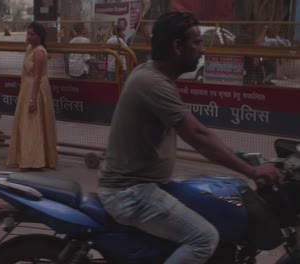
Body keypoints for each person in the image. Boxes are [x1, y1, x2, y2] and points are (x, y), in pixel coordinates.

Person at [97, 12, 283, 264]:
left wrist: (244, 158)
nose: (202, 50)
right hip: (130, 193)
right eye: (197, 43)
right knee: (204, 238)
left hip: (147, 185)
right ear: (177, 46)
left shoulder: (152, 75)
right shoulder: (152, 83)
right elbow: (197, 135)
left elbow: (201, 134)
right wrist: (252, 172)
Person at [7, 21, 57, 171]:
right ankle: (28, 157)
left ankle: (31, 161)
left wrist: (33, 99)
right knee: (25, 123)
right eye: (28, 33)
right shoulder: (29, 48)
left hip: (36, 89)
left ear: (40, 36)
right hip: (27, 87)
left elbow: (37, 77)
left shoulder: (39, 52)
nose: (29, 36)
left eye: (32, 34)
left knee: (32, 123)